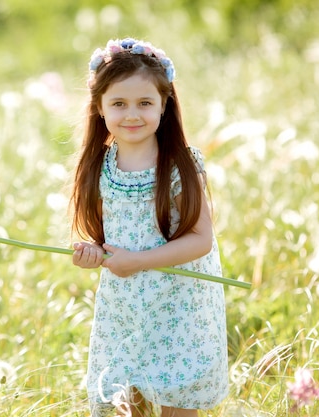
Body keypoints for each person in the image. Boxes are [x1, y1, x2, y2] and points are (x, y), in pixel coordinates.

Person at [70, 38, 228, 417]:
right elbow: (103, 237)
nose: (132, 115)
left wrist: (138, 261)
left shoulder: (179, 166)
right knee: (127, 400)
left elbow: (200, 240)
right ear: (100, 107)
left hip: (178, 307)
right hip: (126, 306)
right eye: (119, 104)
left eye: (145, 103)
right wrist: (91, 252)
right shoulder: (100, 166)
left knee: (175, 398)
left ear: (164, 104)